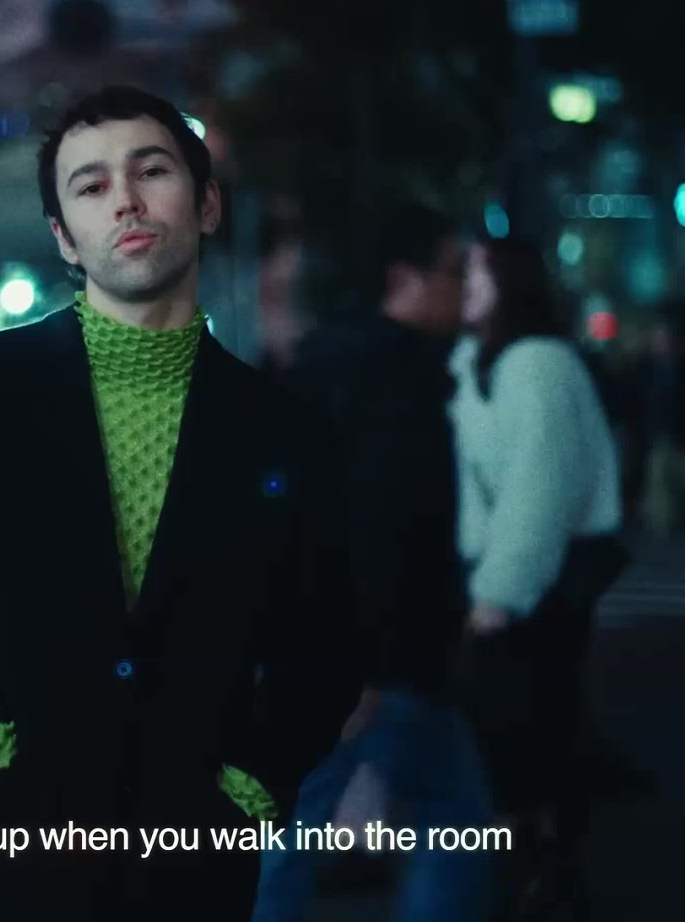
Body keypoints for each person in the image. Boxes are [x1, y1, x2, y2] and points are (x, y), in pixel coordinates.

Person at [0, 85, 360, 921]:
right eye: (91, 185)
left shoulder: (282, 427)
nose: (126, 200)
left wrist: (260, 776)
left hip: (192, 853)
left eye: (152, 171)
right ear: (63, 238)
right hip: (10, 837)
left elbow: (328, 633)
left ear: (208, 204)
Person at [254, 207, 493, 920]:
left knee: (301, 827)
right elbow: (379, 524)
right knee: (448, 819)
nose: (465, 287)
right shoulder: (395, 379)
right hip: (375, 659)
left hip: (336, 650)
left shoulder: (329, 362)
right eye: (453, 271)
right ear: (403, 280)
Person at [448, 237, 624, 919]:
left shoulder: (539, 365)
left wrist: (498, 594)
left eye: (477, 273)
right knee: (517, 732)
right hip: (506, 578)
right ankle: (534, 870)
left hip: (535, 585)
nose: (463, 282)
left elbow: (538, 492)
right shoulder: (476, 359)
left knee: (531, 729)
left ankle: (545, 873)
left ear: (510, 284)